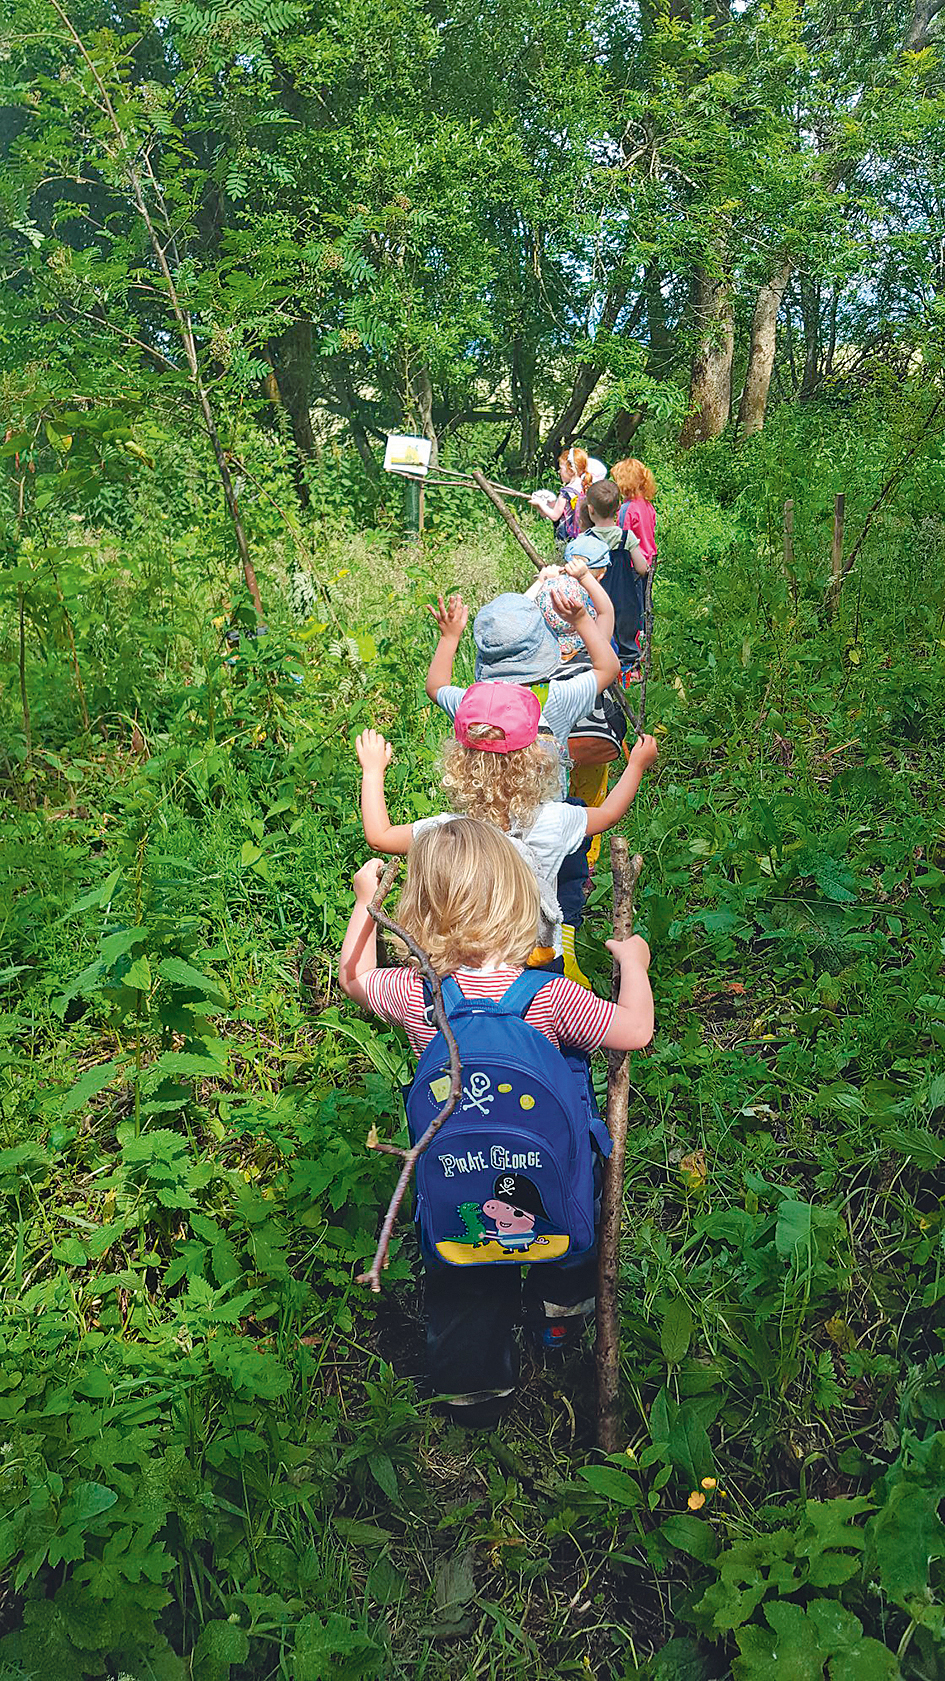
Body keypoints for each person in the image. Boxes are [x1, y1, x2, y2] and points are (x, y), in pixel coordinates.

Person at [338, 819, 654, 1426]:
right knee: (566, 1206)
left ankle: (473, 1386)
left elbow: (353, 977)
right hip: (543, 1171)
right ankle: (560, 1318)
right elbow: (634, 1030)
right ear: (518, 903)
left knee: (463, 1270)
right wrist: (633, 962)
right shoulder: (549, 996)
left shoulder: (416, 995)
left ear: (418, 915)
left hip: (458, 1171)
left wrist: (364, 903)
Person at [355, 686, 657, 969]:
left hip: (471, 965)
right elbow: (608, 814)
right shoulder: (554, 820)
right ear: (536, 758)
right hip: (536, 958)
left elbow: (380, 837)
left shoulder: (449, 832)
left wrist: (372, 771)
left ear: (458, 763)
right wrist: (636, 766)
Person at [424, 586, 620, 799]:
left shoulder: (471, 703)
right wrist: (581, 620)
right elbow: (608, 669)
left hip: (488, 815)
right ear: (543, 649)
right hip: (550, 814)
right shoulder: (557, 698)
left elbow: (435, 687)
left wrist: (449, 637)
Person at [574, 478, 651, 685]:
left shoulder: (585, 540)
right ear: (618, 509)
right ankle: (630, 672)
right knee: (627, 635)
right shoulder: (626, 537)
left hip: (596, 598)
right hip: (625, 597)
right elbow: (642, 568)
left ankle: (602, 669)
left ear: (590, 510)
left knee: (600, 634)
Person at [611, 458, 658, 680]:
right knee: (644, 606)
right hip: (649, 562)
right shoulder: (648, 506)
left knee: (629, 612)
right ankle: (646, 650)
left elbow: (621, 538)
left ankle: (633, 662)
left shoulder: (627, 509)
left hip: (632, 566)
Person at [529, 447, 593, 544]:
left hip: (566, 537)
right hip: (581, 535)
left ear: (571, 470)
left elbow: (555, 516)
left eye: (561, 468)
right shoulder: (584, 486)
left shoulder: (566, 492)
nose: (559, 471)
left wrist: (539, 503)